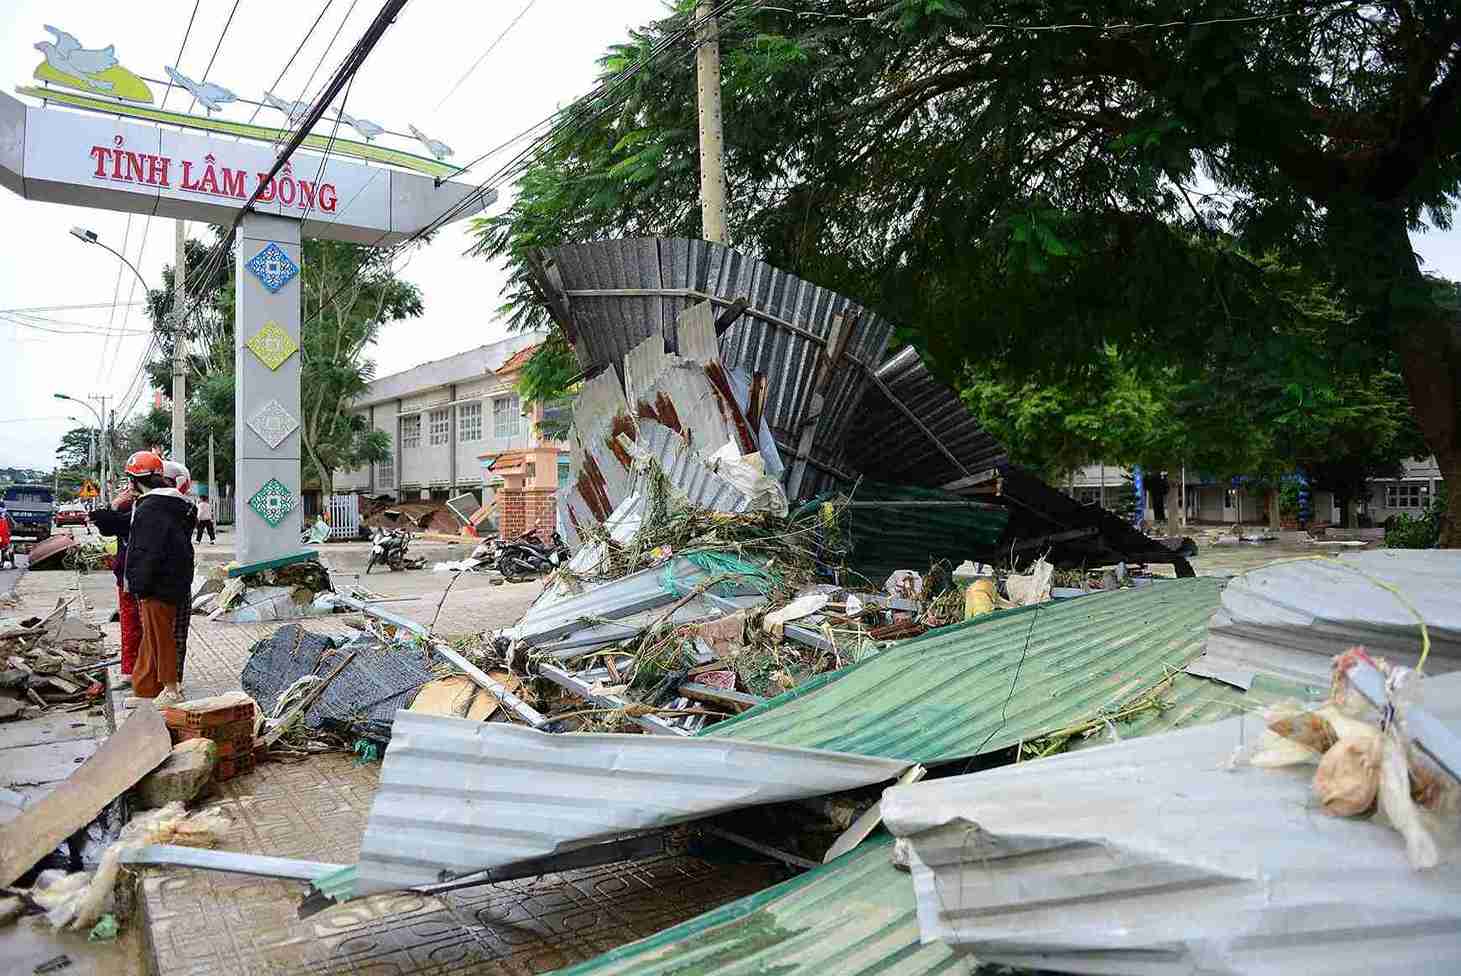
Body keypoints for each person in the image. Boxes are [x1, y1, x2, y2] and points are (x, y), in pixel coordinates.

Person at [123, 451, 196, 706]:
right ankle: (144, 690)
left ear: (134, 481)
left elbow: (145, 550)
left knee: (160, 637)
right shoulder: (181, 505)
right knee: (152, 638)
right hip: (177, 580)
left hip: (155, 583)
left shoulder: (150, 508)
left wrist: (137, 584)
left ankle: (171, 688)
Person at [89, 475, 143, 689]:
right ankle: (130, 670)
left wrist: (113, 506)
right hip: (126, 576)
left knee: (146, 626)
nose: (129, 488)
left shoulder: (149, 508)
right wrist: (116, 504)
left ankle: (146, 672)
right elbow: (105, 526)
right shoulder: (129, 506)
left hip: (146, 578)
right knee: (129, 624)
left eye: (133, 483)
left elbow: (109, 522)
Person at [161, 460, 197, 688]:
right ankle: (170, 681)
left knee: (173, 634)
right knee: (173, 634)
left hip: (168, 582)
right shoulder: (184, 508)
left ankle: (171, 683)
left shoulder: (179, 509)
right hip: (177, 579)